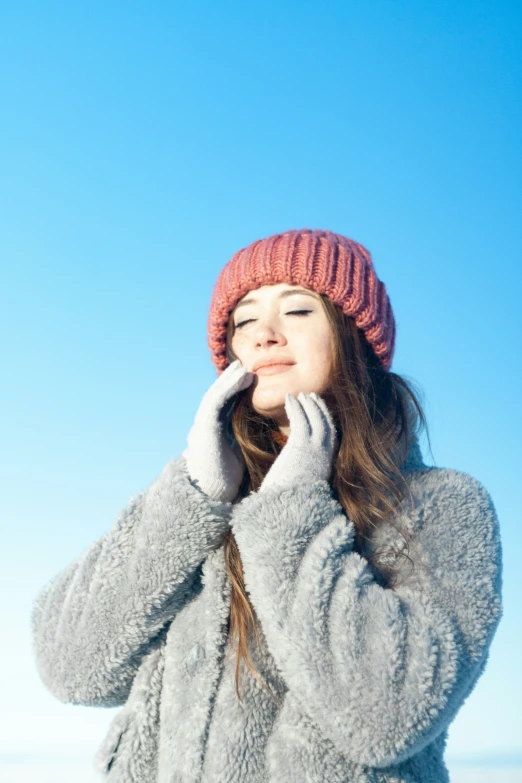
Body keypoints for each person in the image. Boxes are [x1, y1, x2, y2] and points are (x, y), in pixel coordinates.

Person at [30, 228, 503, 783]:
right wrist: (193, 493)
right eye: (244, 320)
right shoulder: (203, 507)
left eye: (298, 310)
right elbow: (70, 668)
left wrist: (292, 511)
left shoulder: (442, 505)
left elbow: (386, 717)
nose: (264, 336)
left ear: (356, 338)